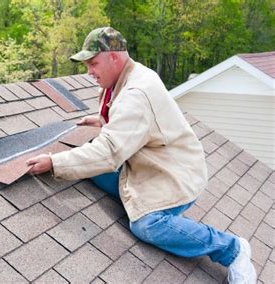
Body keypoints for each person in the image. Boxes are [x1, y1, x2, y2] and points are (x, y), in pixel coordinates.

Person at [26, 27, 256, 283]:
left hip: (174, 174)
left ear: (114, 57)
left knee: (146, 223)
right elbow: (129, 121)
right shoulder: (127, 76)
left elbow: (110, 152)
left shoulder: (137, 92)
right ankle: (154, 208)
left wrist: (54, 162)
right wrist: (105, 120)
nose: (89, 71)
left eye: (93, 63)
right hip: (147, 161)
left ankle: (231, 249)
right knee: (86, 167)